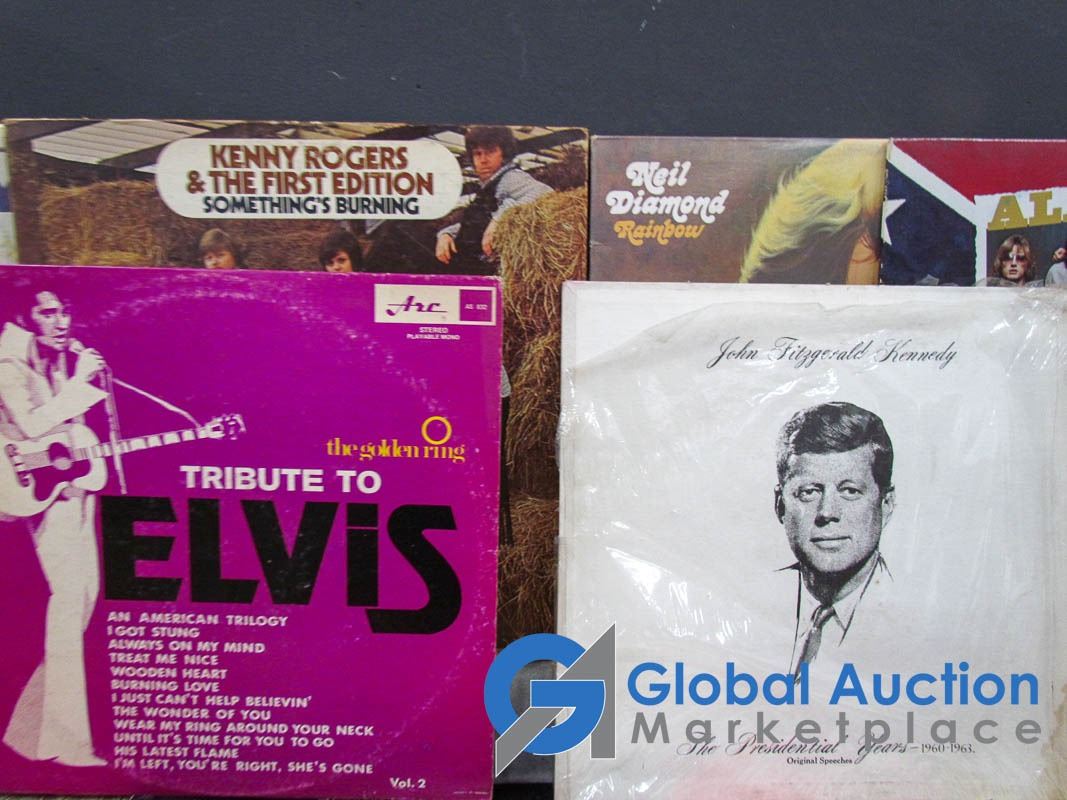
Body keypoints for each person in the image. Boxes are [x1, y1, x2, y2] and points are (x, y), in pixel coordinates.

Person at [0, 289, 108, 766]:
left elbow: (70, 429)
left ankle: (29, 733)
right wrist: (81, 381)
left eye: (65, 311)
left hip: (73, 487)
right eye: (48, 313)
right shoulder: (8, 362)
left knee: (84, 598)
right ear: (26, 317)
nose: (62, 321)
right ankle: (66, 744)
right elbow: (29, 426)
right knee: (67, 604)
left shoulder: (56, 355)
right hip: (38, 493)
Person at [773, 402, 895, 678]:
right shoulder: (741, 604)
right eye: (809, 492)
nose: (827, 512)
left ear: (886, 504)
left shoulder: (925, 619)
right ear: (780, 505)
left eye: (850, 491)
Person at [435, 126, 553, 273]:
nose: (483, 160)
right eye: (478, 154)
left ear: (504, 153)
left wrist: (499, 219)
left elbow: (545, 192)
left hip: (490, 269)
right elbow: (477, 224)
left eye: (490, 152)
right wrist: (447, 234)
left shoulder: (510, 177)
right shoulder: (488, 185)